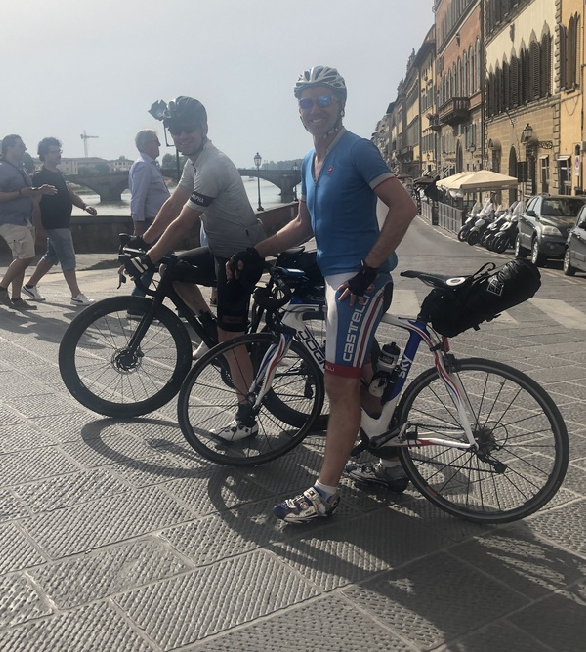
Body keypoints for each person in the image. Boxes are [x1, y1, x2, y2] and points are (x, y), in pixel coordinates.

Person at [228, 66, 416, 523]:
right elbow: (303, 225)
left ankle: (325, 493)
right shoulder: (308, 162)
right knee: (361, 379)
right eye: (306, 102)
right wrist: (255, 252)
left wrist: (370, 268)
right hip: (336, 281)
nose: (314, 109)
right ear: (299, 111)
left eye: (323, 100)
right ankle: (391, 463)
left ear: (341, 104)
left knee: (339, 386)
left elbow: (404, 207)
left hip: (358, 286)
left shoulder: (358, 149)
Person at [122, 96, 267, 436]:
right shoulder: (194, 162)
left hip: (240, 257)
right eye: (175, 131)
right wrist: (143, 241)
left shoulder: (213, 165)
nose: (181, 136)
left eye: (188, 129)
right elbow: (173, 205)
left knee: (233, 338)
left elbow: (184, 223)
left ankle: (247, 418)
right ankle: (211, 329)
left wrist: (147, 257)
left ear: (203, 128)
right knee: (170, 270)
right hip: (219, 249)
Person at [21, 137, 97, 306]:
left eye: (59, 151)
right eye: (54, 152)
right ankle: (76, 294)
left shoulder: (58, 174)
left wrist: (84, 206)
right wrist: (39, 228)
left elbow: (70, 194)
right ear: (44, 155)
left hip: (61, 222)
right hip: (53, 223)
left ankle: (30, 286)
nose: (58, 155)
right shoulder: (39, 177)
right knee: (68, 257)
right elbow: (35, 204)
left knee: (52, 256)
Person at [0, 134, 57, 311]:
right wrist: (20, 193)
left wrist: (39, 190)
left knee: (21, 258)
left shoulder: (19, 168)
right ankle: (1, 288)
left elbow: (26, 191)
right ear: (9, 148)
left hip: (23, 219)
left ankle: (16, 298)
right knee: (26, 255)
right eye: (21, 145)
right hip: (9, 219)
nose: (25, 148)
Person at [127, 129, 170, 298]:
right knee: (168, 264)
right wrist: (138, 229)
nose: (159, 145)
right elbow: (138, 198)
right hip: (152, 224)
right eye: (156, 141)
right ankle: (185, 306)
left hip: (157, 223)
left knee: (153, 264)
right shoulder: (144, 166)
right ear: (146, 145)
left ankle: (136, 302)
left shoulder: (149, 165)